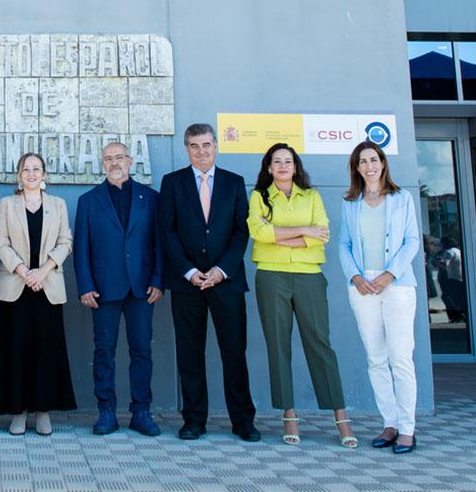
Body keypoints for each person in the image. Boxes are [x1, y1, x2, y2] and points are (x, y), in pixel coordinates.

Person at [247, 142, 357, 448]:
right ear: (268, 168)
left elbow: (321, 234)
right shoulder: (259, 197)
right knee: (278, 345)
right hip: (270, 276)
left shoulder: (312, 196)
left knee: (320, 345)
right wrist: (302, 232)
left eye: (288, 161)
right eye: (276, 162)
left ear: (296, 167)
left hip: (309, 276)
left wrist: (287, 235)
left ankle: (341, 417)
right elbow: (259, 233)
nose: (283, 166)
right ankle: (289, 414)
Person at [157, 123, 259, 442]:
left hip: (225, 283)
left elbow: (241, 232)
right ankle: (194, 419)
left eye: (206, 145)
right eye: (194, 146)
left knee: (233, 352)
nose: (201, 151)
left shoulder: (233, 182)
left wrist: (221, 270)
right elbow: (167, 231)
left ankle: (242, 420)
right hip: (187, 283)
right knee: (190, 353)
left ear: (216, 146)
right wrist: (188, 271)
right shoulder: (172, 183)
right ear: (186, 149)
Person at [74, 141, 163, 437]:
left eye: (119, 157)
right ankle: (106, 411)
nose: (115, 163)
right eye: (109, 158)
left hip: (142, 288)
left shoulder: (150, 198)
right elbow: (81, 249)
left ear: (130, 160)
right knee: (104, 351)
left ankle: (141, 411)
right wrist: (85, 285)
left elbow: (159, 244)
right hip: (103, 288)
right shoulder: (89, 200)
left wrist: (158, 280)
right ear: (103, 163)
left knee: (141, 350)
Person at [338, 140, 420, 454]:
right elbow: (344, 244)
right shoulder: (350, 202)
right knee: (375, 358)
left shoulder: (402, 199)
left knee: (400, 358)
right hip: (362, 286)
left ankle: (408, 429)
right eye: (363, 161)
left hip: (396, 285)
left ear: (383, 163)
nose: (369, 166)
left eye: (374, 160)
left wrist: (390, 274)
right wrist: (356, 276)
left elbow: (412, 240)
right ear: (356, 168)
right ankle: (390, 423)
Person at [0, 152, 76, 436]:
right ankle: (18, 413)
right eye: (26, 169)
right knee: (16, 351)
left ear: (45, 174)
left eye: (36, 168)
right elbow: (0, 242)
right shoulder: (6, 204)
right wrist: (24, 271)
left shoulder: (58, 205)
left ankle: (42, 411)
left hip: (47, 286)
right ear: (18, 174)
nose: (31, 173)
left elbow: (66, 241)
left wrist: (43, 271)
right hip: (17, 286)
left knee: (46, 352)